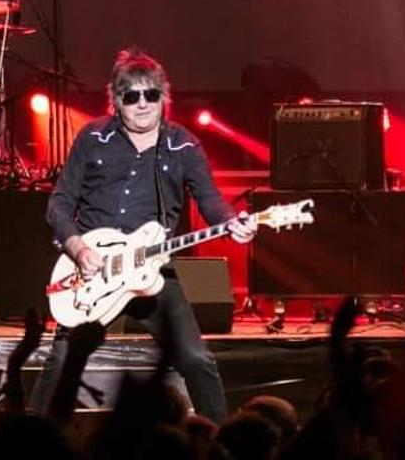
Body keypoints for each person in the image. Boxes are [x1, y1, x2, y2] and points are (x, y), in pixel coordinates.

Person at [31, 47, 257, 421]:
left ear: (163, 98)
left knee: (197, 360)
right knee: (62, 363)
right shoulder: (93, 138)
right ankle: (30, 442)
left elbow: (210, 200)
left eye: (150, 94)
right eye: (131, 96)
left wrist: (233, 222)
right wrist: (78, 248)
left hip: (152, 271)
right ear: (116, 101)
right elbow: (58, 203)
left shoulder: (182, 145)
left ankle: (221, 443)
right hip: (94, 273)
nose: (141, 104)